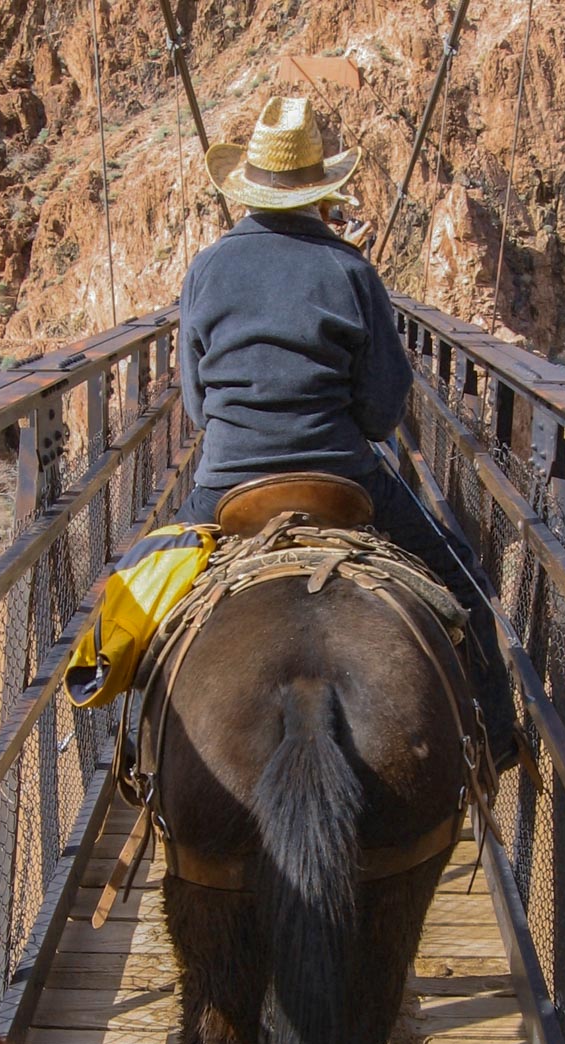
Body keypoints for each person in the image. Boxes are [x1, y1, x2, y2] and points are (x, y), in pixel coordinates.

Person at [176, 96, 520, 770]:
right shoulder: (353, 272)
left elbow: (196, 405)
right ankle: (499, 738)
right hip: (342, 476)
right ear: (319, 193)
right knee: (465, 583)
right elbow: (379, 414)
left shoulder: (206, 268)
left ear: (249, 186)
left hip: (225, 485)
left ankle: (127, 745)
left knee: (132, 598)